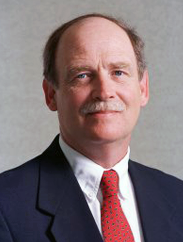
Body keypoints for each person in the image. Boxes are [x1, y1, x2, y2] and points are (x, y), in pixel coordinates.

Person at [0, 13, 183, 242]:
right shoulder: (6, 206)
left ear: (143, 88)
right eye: (82, 75)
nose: (104, 91)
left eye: (118, 72)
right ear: (50, 95)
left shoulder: (177, 197)